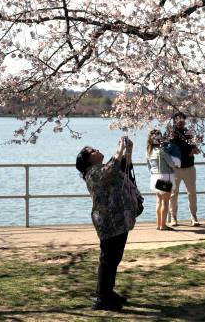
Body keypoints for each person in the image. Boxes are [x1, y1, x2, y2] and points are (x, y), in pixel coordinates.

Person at [76, 136, 143, 311]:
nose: (96, 150)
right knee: (108, 259)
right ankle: (101, 298)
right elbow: (111, 169)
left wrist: (127, 151)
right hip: (109, 221)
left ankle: (108, 292)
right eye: (92, 151)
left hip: (120, 219)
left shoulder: (102, 168)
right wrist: (119, 149)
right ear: (88, 160)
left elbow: (124, 168)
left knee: (114, 259)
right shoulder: (93, 173)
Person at [168, 111, 201, 226]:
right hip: (175, 169)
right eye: (178, 119)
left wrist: (194, 151)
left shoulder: (189, 133)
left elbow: (196, 149)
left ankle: (193, 216)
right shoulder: (169, 134)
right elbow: (164, 150)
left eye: (183, 118)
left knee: (192, 193)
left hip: (189, 168)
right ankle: (173, 217)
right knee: (173, 193)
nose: (181, 120)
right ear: (174, 120)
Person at [146, 129, 180, 231]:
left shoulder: (148, 151)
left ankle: (158, 224)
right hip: (165, 177)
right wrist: (176, 166)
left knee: (159, 201)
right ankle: (163, 225)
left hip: (154, 177)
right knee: (165, 202)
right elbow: (170, 163)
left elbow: (149, 167)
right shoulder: (162, 150)